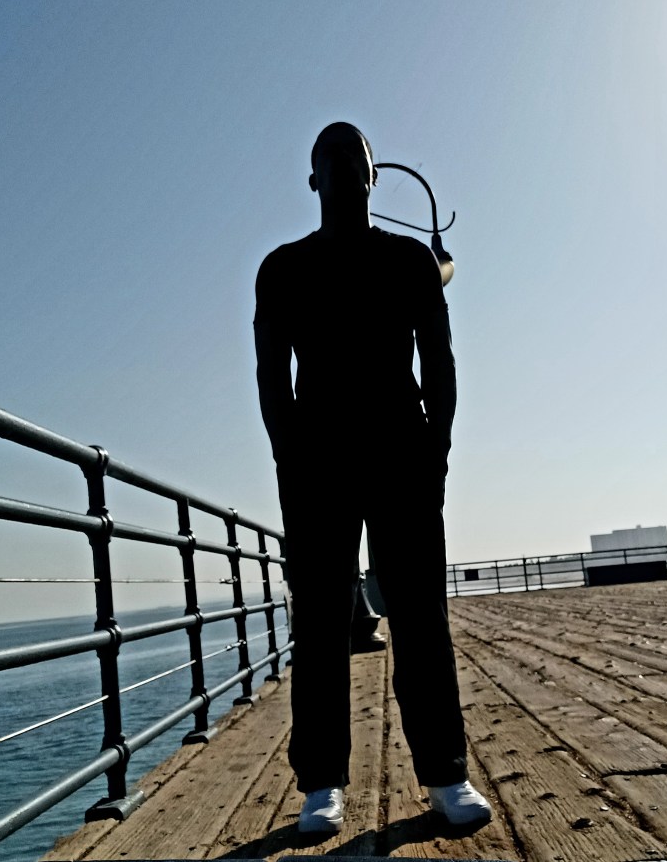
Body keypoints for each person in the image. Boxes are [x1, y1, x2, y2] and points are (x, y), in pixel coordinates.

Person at [254, 122, 491, 834]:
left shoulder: (409, 260)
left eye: (353, 156)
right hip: (317, 461)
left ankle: (446, 772)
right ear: (313, 180)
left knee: (421, 615)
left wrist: (436, 453)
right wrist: (289, 464)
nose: (342, 164)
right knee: (320, 622)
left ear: (371, 177)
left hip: (401, 450)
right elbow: (271, 380)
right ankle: (321, 782)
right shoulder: (281, 269)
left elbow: (440, 362)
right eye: (329, 158)